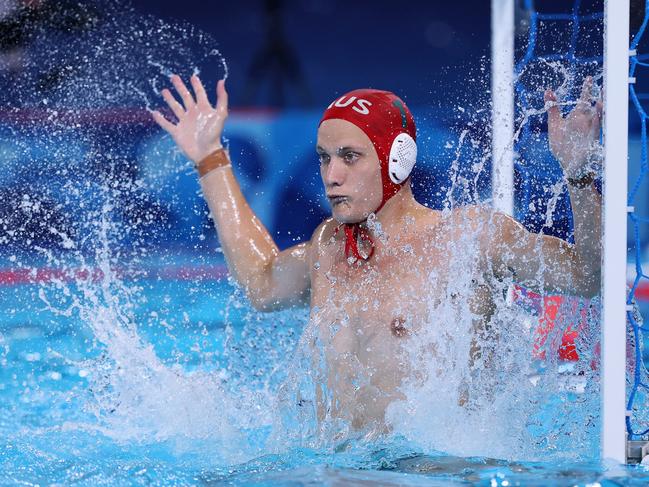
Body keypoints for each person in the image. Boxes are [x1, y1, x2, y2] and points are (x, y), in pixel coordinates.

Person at [151, 74, 602, 434]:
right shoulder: (329, 246)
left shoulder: (468, 239)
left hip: (431, 473)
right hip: (337, 467)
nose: (331, 175)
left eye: (350, 156)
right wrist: (210, 157)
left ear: (397, 159)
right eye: (324, 158)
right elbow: (263, 284)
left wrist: (579, 177)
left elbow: (587, 277)